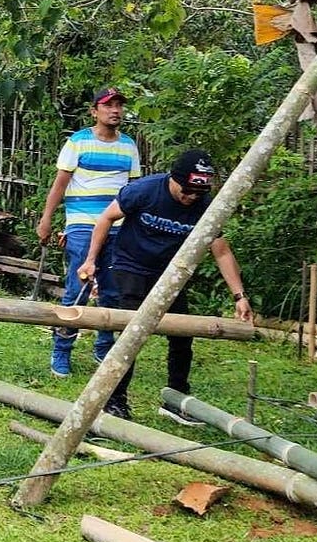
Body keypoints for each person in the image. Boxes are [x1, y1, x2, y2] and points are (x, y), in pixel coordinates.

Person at [77, 149, 253, 423]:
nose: (190, 197)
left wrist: (239, 296)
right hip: (131, 265)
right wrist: (90, 261)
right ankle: (115, 401)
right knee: (131, 333)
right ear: (174, 179)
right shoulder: (144, 191)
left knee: (182, 336)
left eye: (197, 193)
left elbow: (221, 251)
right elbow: (105, 218)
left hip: (172, 274)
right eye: (186, 191)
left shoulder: (205, 205)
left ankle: (176, 399)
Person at [35, 87, 142, 378]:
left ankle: (104, 345)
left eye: (119, 105)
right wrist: (46, 219)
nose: (115, 110)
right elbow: (60, 184)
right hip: (83, 224)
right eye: (108, 106)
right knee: (78, 288)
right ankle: (62, 350)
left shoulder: (129, 146)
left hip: (119, 227)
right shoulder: (78, 142)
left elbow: (133, 191)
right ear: (94, 111)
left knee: (112, 290)